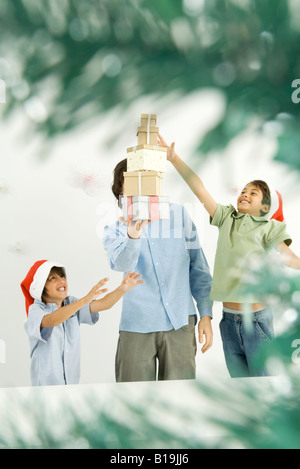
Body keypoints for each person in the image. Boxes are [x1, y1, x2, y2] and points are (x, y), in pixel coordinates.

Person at [158, 133, 300, 377]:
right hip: (228, 320)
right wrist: (174, 159)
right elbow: (199, 189)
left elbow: (285, 255)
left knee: (263, 383)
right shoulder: (226, 218)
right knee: (239, 384)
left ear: (265, 208)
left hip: (256, 320)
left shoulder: (269, 227)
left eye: (253, 193)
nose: (244, 194)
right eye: (243, 190)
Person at [103, 158, 213, 382]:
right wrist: (133, 234)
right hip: (137, 325)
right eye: (133, 185)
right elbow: (120, 264)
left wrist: (206, 315)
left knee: (179, 400)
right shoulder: (114, 229)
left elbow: (198, 268)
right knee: (132, 399)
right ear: (121, 192)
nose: (141, 190)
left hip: (181, 323)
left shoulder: (179, 215)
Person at [21, 259, 143, 386]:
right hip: (45, 387)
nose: (61, 280)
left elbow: (104, 304)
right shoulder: (35, 310)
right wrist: (85, 299)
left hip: (71, 383)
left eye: (62, 276)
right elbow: (52, 320)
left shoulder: (71, 303)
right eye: (52, 278)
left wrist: (122, 289)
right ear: (40, 285)